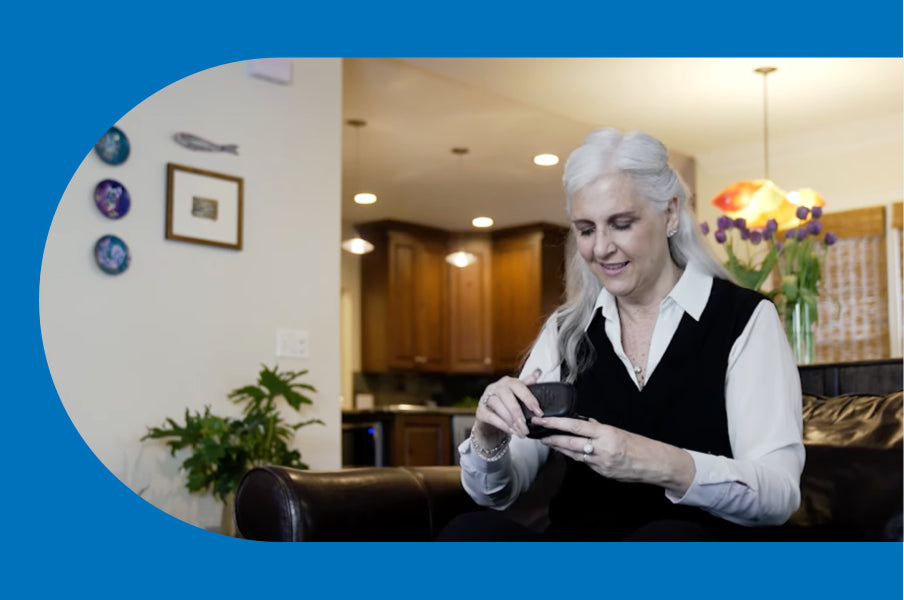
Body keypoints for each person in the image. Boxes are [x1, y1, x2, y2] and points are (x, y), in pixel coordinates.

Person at [437, 127, 805, 541]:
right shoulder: (566, 332)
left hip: (682, 551)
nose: (600, 248)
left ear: (669, 213)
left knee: (668, 539)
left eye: (621, 224)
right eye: (587, 229)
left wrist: (653, 461)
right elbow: (497, 493)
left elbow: (778, 494)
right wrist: (489, 437)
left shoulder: (745, 319)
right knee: (468, 532)